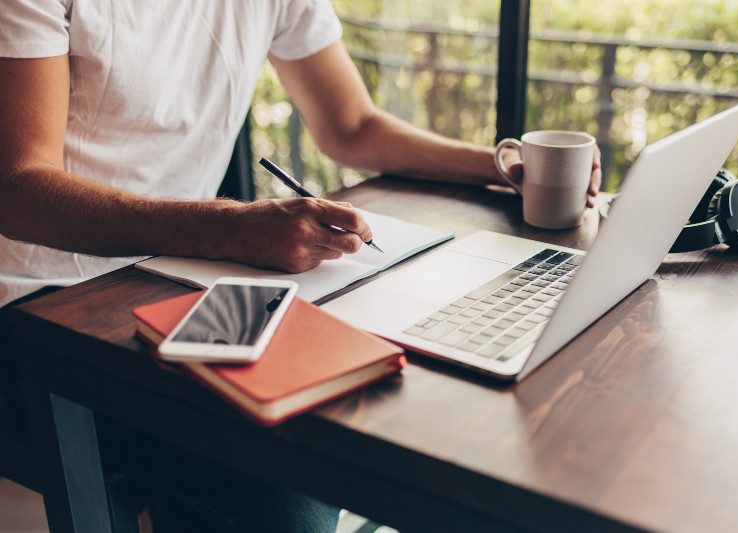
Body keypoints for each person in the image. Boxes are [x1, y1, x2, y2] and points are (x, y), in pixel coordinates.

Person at [0, 1, 601, 531]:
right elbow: (18, 189)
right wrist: (231, 227)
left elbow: (352, 125)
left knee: (393, 411)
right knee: (282, 493)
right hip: (34, 301)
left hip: (179, 276)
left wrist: (506, 167)